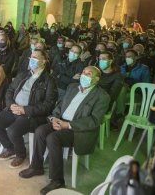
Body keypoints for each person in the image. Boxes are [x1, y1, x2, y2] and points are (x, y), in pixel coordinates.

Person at [18, 66, 110, 195]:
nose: (84, 75)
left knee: (53, 138)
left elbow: (94, 120)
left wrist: (68, 125)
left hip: (77, 131)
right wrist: (54, 118)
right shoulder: (72, 87)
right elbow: (60, 105)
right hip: (60, 121)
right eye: (84, 72)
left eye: (89, 74)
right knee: (40, 131)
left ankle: (57, 180)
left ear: (96, 79)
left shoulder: (102, 96)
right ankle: (36, 167)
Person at [0, 50, 57, 168]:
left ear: (44, 61)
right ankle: (11, 148)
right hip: (13, 108)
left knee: (12, 131)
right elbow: (10, 91)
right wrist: (11, 105)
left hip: (31, 115)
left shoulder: (49, 80)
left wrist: (25, 110)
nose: (32, 59)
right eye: (31, 57)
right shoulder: (23, 74)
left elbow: (48, 105)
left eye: (36, 57)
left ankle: (21, 154)